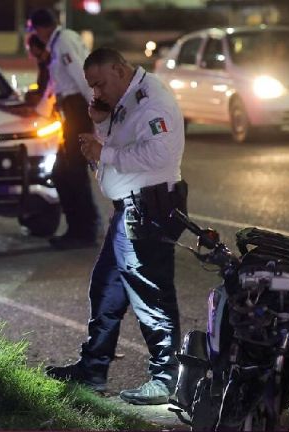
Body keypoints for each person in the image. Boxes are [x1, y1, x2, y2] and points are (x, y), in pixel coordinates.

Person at [45, 47, 188, 406]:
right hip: (129, 208)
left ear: (120, 70)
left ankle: (165, 378)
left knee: (152, 295)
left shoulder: (151, 101)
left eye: (100, 84)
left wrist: (103, 154)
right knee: (106, 290)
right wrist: (100, 121)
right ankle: (93, 368)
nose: (95, 92)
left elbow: (161, 154)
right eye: (92, 86)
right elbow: (120, 139)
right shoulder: (125, 98)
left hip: (150, 208)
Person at [29, 9, 99, 250]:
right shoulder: (59, 42)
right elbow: (53, 86)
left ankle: (84, 230)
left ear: (40, 28)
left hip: (78, 110)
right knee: (64, 172)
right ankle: (79, 228)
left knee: (72, 171)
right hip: (70, 110)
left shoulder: (64, 42)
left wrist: (96, 114)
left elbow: (82, 78)